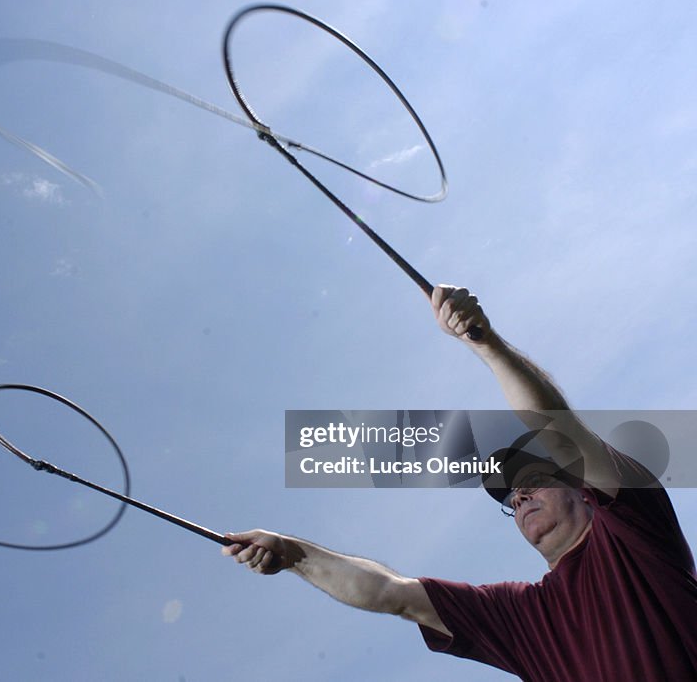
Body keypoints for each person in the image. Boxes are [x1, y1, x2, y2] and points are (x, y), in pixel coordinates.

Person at [223, 285, 697, 681]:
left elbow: (561, 429)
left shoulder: (636, 527)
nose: (521, 496)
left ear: (581, 488)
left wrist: (486, 343)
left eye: (533, 481)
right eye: (512, 498)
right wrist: (293, 554)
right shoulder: (521, 614)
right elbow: (393, 594)